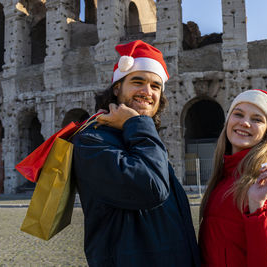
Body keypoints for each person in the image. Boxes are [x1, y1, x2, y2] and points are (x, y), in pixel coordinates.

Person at [72, 40, 200, 267]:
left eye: (155, 86)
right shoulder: (91, 141)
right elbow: (151, 188)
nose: (147, 92)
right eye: (138, 82)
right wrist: (137, 123)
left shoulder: (143, 140)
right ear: (116, 87)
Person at [199, 89, 267, 267]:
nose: (245, 123)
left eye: (257, 119)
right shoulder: (225, 176)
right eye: (238, 114)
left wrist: (258, 208)